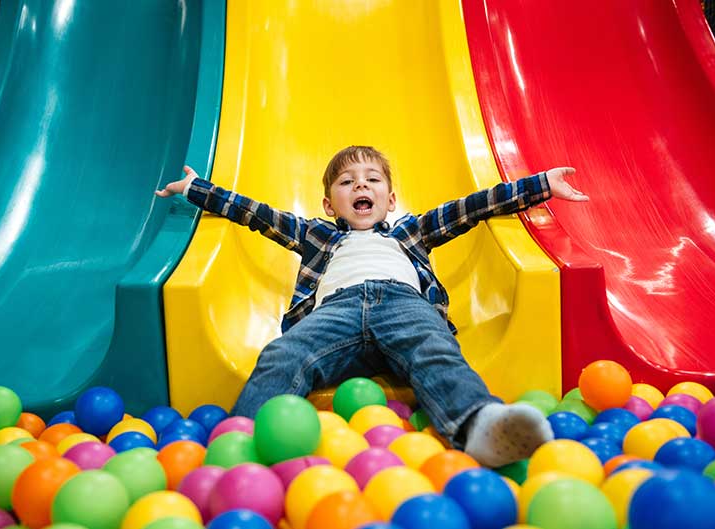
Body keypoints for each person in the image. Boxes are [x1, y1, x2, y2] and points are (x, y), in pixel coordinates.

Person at [155, 145, 589, 467]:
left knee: (434, 348)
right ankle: (243, 447)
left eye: (372, 179)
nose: (360, 185)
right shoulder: (318, 236)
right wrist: (198, 190)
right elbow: (259, 214)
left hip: (404, 304)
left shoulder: (409, 232)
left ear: (390, 199)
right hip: (335, 312)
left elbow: (471, 207)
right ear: (330, 205)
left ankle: (478, 424)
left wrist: (541, 185)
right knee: (283, 354)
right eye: (347, 182)